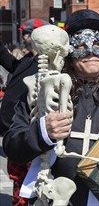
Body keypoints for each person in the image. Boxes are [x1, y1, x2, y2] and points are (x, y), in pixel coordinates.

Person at [3, 9, 99, 205]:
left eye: (98, 44)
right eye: (80, 45)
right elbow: (12, 145)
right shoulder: (42, 94)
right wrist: (42, 131)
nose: (91, 52)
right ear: (67, 50)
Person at [0, 18, 49, 206]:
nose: (25, 37)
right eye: (24, 33)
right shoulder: (28, 59)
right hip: (16, 131)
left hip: (31, 133)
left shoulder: (48, 62)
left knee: (30, 186)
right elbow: (9, 62)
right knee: (18, 183)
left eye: (28, 33)